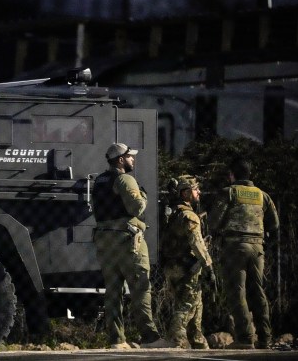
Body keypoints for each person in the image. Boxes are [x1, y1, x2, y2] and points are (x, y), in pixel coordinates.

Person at [92, 143, 173, 349]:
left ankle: (116, 340)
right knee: (141, 287)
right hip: (127, 241)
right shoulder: (125, 178)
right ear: (120, 160)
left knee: (113, 291)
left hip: (104, 240)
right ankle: (150, 338)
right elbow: (136, 208)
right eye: (129, 157)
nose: (133, 160)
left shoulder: (100, 181)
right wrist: (143, 195)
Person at [207, 156, 279, 349]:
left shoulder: (229, 192)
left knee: (237, 292)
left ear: (232, 175)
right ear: (249, 174)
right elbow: (275, 224)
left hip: (234, 247)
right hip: (257, 247)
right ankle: (265, 338)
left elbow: (214, 222)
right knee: (258, 291)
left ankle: (245, 338)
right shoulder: (262, 195)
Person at [161, 175, 216, 349]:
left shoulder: (174, 212)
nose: (198, 192)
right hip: (186, 267)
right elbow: (197, 244)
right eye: (195, 189)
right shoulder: (189, 216)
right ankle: (176, 339)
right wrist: (209, 266)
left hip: (172, 266)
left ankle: (197, 339)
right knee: (186, 304)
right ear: (185, 193)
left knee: (196, 303)